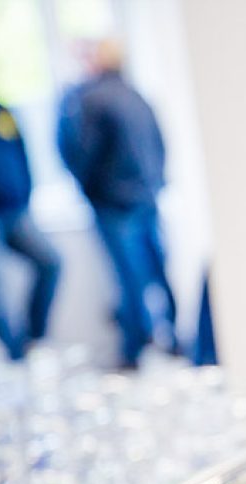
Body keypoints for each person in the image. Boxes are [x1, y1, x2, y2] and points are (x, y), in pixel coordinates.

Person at [58, 38, 177, 368]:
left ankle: (133, 350)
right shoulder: (136, 95)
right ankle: (171, 336)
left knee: (129, 277)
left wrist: (90, 190)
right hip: (145, 195)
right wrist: (155, 184)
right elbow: (160, 144)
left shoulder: (91, 99)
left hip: (115, 201)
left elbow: (83, 153)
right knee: (156, 269)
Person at [0, 50, 61, 359]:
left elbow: (23, 155)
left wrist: (26, 195)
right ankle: (15, 353)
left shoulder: (2, 112)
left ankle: (34, 338)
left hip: (15, 209)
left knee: (51, 262)